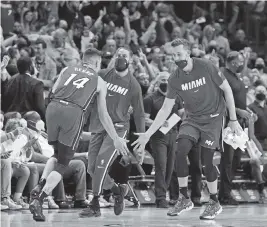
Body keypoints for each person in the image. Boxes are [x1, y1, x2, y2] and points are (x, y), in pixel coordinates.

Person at [132, 38, 243, 220]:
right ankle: (184, 198)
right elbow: (165, 109)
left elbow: (228, 90)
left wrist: (232, 119)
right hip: (192, 120)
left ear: (188, 52)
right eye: (173, 55)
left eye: (179, 54)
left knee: (207, 161)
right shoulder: (175, 78)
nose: (176, 58)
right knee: (180, 151)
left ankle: (214, 202)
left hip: (213, 119)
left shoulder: (206, 66)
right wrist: (148, 134)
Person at [28, 48, 129, 222]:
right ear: (97, 63)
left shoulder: (66, 69)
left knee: (57, 156)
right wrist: (116, 138)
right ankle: (39, 199)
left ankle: (40, 185)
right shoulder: (99, 81)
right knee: (63, 164)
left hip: (52, 109)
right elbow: (104, 116)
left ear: (83, 60)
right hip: (73, 113)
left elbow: (53, 91)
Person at [79, 47, 145, 218]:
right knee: (92, 169)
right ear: (113, 58)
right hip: (98, 126)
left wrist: (142, 141)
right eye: (118, 54)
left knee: (101, 162)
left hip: (118, 130)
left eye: (125, 55)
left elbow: (138, 113)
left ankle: (94, 203)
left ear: (130, 60)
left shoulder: (134, 85)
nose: (120, 57)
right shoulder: (101, 74)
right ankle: (119, 191)